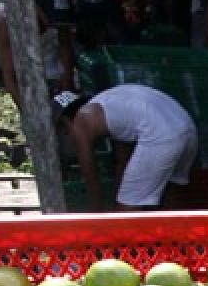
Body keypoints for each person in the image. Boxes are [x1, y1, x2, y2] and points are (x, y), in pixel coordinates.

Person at [54, 85, 199, 211]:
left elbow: (90, 174)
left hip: (160, 134)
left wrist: (97, 215)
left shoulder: (81, 120)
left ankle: (122, 242)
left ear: (66, 123)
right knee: (171, 191)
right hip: (186, 125)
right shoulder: (108, 107)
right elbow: (123, 161)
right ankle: (176, 238)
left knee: (127, 212)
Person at [0, 0, 76, 106]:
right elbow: (10, 78)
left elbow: (65, 44)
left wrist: (67, 84)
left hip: (57, 73)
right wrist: (28, 113)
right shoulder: (7, 21)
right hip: (30, 78)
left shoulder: (58, 5)